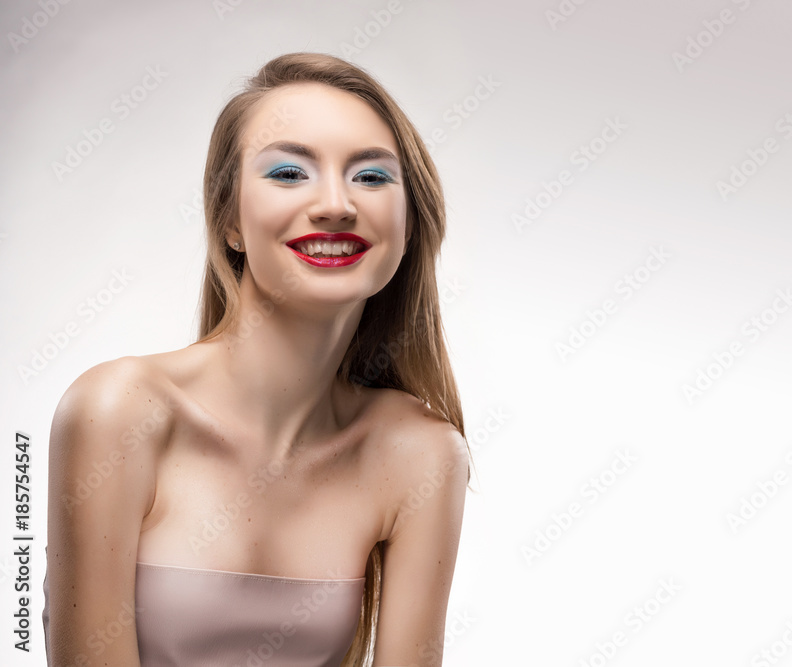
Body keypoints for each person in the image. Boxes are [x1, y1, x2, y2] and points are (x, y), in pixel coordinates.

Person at [43, 52, 472, 667]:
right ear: (230, 221)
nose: (336, 205)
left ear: (407, 224)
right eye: (290, 173)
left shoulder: (421, 452)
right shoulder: (119, 411)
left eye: (372, 178)